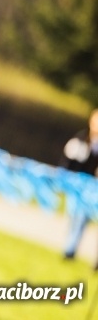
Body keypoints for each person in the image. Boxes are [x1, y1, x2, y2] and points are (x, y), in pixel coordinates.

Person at [59, 109, 98, 260]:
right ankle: (69, 250)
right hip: (78, 185)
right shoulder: (80, 139)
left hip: (94, 188)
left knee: (82, 218)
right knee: (76, 217)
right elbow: (68, 161)